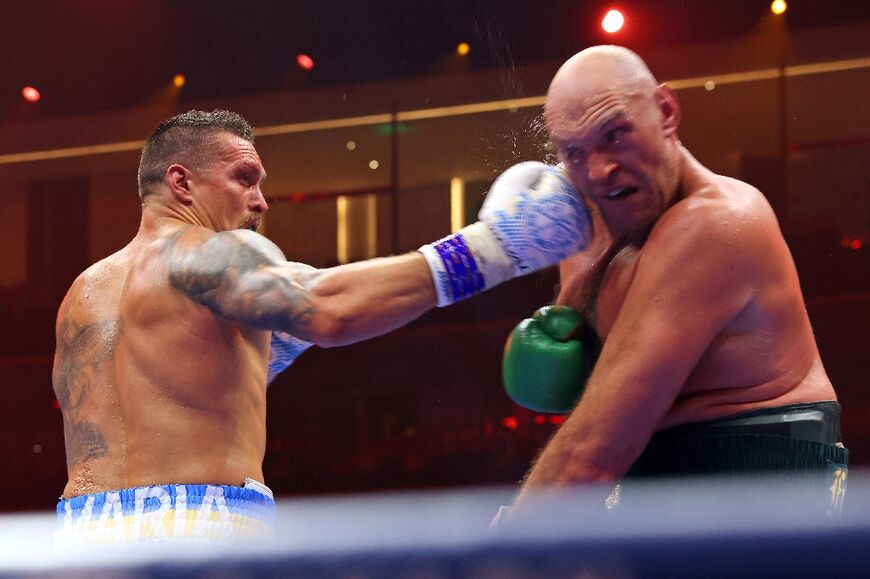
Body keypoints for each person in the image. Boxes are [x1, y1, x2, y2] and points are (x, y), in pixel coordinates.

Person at [51, 109, 591, 545]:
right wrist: (497, 247)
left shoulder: (84, 292)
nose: (261, 200)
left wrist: (269, 351)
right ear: (181, 182)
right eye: (244, 178)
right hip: (197, 530)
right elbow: (328, 308)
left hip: (78, 538)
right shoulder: (207, 253)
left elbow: (170, 402)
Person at [501, 45, 848, 516]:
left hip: (763, 481)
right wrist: (492, 248)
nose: (599, 168)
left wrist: (502, 544)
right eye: (575, 152)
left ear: (666, 111)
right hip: (660, 481)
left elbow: (593, 452)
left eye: (616, 134)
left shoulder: (716, 225)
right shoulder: (589, 225)